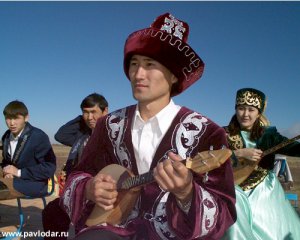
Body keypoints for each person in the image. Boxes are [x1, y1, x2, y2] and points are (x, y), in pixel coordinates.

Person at [60, 13, 236, 240]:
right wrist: (89, 188)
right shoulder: (109, 125)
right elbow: (79, 174)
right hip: (112, 227)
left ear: (173, 76)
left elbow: (225, 210)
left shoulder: (207, 132)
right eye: (134, 64)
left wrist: (187, 194)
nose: (138, 74)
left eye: (150, 65)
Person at [222, 88, 300, 240]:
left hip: (264, 191)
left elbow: (293, 148)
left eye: (251, 109)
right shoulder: (223, 133)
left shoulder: (268, 135)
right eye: (241, 108)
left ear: (259, 113)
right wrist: (237, 153)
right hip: (232, 189)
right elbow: (210, 158)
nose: (245, 114)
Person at [42, 93, 108, 240]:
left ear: (105, 111)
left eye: (93, 112)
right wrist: (83, 119)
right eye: (85, 112)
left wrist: (100, 121)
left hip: (96, 192)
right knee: (51, 212)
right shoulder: (82, 135)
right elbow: (60, 135)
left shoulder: (112, 136)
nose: (89, 117)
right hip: (75, 190)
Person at [0, 100, 56, 200]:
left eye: (16, 118)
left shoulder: (38, 136)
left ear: (26, 118)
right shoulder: (6, 136)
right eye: (8, 118)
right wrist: (7, 172)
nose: (12, 123)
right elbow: (6, 162)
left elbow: (49, 168)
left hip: (36, 183)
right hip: (14, 179)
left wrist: (18, 172)